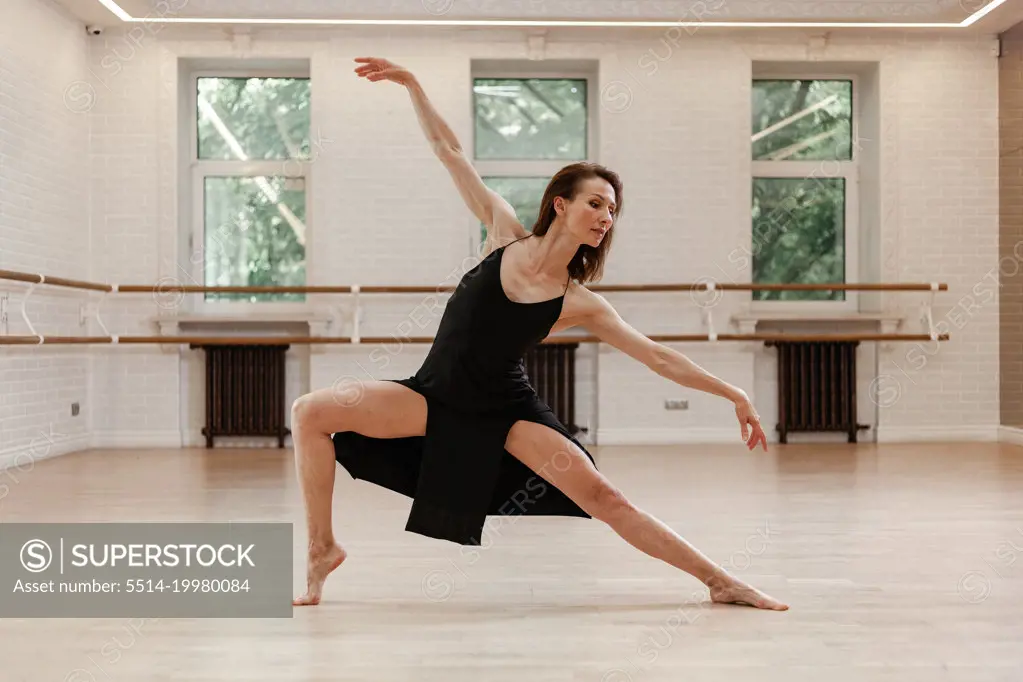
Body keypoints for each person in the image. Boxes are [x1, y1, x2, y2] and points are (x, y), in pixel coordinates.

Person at [290, 57, 787, 611]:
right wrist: (413, 84)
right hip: (431, 396)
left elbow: (656, 358)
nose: (605, 217)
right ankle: (321, 548)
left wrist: (735, 394)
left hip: (508, 411)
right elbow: (450, 153)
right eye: (596, 203)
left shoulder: (579, 302)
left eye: (612, 211)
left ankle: (720, 580)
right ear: (561, 204)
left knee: (605, 497)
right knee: (310, 412)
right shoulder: (503, 234)